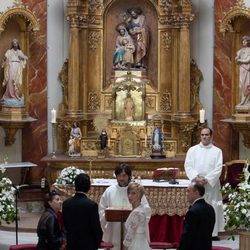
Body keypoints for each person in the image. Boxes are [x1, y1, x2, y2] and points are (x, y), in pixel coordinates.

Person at [99, 163, 151, 250]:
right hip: (114, 229)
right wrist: (108, 215)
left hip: (134, 232)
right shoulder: (109, 191)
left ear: (129, 176)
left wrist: (136, 217)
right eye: (118, 175)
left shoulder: (136, 190)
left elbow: (146, 209)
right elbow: (101, 209)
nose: (121, 178)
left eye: (124, 176)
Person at [184, 127, 224, 239]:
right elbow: (188, 166)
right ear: (200, 136)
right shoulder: (192, 150)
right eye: (202, 135)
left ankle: (213, 233)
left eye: (207, 135)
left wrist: (207, 179)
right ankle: (198, 231)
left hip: (211, 184)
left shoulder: (217, 151)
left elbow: (218, 168)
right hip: (197, 185)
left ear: (210, 136)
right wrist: (197, 177)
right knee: (197, 207)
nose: (204, 137)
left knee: (212, 206)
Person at [62, 173, 103, 250]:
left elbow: (65, 224)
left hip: (72, 243)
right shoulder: (92, 205)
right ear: (88, 187)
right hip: (88, 244)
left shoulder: (66, 203)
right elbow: (96, 228)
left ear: (75, 186)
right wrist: (97, 243)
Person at [178, 182, 215, 250]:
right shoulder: (210, 208)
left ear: (196, 193)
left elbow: (187, 236)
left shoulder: (192, 211)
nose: (186, 194)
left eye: (188, 191)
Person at [123, 182, 151, 250]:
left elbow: (130, 233)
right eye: (129, 193)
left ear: (139, 195)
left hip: (135, 244)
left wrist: (125, 247)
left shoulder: (137, 212)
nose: (129, 196)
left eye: (133, 193)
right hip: (142, 242)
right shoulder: (141, 209)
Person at [1, 38, 28, 105]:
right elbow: (5, 58)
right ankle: (9, 95)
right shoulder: (9, 51)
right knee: (10, 80)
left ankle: (16, 95)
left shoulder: (19, 51)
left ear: (18, 44)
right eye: (13, 43)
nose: (15, 44)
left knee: (17, 81)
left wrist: (21, 57)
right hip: (11, 66)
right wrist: (3, 63)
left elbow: (26, 58)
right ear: (12, 44)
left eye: (16, 43)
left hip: (17, 67)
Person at [235, 35, 250, 107]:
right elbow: (236, 60)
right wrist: (237, 58)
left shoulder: (249, 50)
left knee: (247, 85)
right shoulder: (239, 51)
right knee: (241, 86)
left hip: (247, 70)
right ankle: (242, 101)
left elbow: (248, 60)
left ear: (248, 42)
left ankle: (247, 102)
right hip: (242, 69)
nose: (244, 42)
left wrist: (239, 60)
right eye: (243, 40)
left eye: (245, 40)